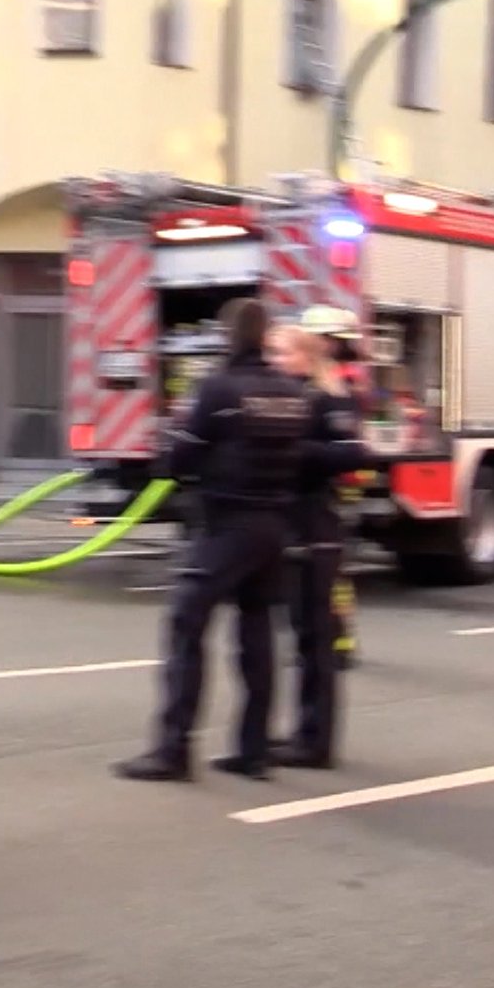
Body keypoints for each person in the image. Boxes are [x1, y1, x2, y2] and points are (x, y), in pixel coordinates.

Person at [114, 297, 311, 783]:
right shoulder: (291, 392)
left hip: (228, 524)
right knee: (256, 634)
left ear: (228, 335)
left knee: (186, 624)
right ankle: (253, 750)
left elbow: (179, 460)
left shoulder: (219, 389)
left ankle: (172, 750)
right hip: (274, 526)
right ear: (265, 337)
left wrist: (176, 456)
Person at [270, 312, 373, 768]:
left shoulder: (332, 399)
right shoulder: (295, 396)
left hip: (318, 526)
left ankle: (315, 743)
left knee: (316, 637)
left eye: (282, 352)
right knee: (302, 636)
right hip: (293, 525)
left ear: (307, 356)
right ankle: (302, 731)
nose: (274, 360)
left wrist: (296, 451)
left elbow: (352, 453)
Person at [304, 306, 369, 670]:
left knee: (330, 569)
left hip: (330, 492)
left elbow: (350, 446)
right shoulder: (332, 380)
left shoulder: (335, 385)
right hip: (326, 490)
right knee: (328, 569)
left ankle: (338, 640)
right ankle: (333, 638)